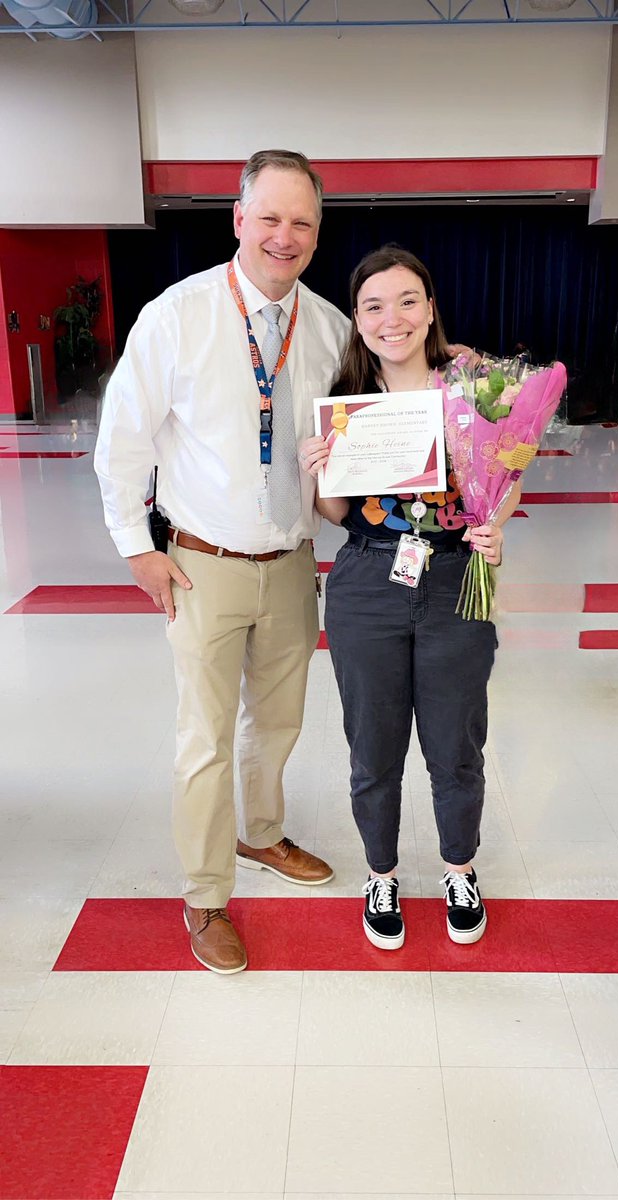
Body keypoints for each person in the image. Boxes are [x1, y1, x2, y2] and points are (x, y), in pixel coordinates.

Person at [95, 149, 351, 975]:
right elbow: (122, 442)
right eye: (269, 217)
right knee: (202, 738)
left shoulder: (329, 328)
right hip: (201, 564)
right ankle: (205, 898)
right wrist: (138, 548)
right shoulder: (179, 314)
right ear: (238, 220)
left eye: (301, 222)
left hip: (291, 564)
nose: (285, 236)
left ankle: (262, 836)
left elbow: (343, 453)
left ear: (316, 232)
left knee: (275, 725)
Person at [300, 245, 521, 951]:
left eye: (405, 301)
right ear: (357, 320)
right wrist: (317, 473)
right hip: (368, 581)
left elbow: (512, 465)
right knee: (373, 746)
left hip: (457, 580)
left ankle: (458, 868)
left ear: (428, 307)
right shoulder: (348, 399)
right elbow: (338, 515)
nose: (390, 318)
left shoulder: (470, 385)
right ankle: (381, 874)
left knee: (455, 744)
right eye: (372, 305)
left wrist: (496, 523)